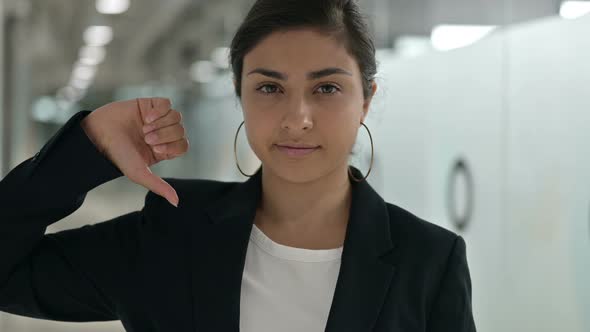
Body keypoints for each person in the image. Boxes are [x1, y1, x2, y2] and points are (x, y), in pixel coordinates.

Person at [0, 0, 476, 331]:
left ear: (366, 100)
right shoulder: (173, 232)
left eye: (326, 88)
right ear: (240, 95)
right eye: (270, 88)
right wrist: (86, 147)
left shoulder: (427, 262)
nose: (298, 119)